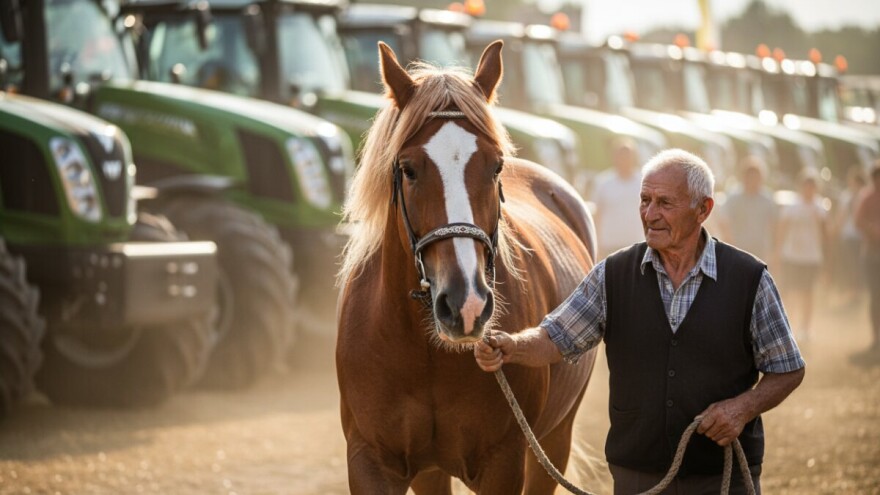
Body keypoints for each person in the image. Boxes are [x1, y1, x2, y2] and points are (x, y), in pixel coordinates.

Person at [474, 149, 805, 494]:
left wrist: (741, 409)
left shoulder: (750, 279)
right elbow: (555, 337)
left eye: (665, 203)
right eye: (645, 200)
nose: (650, 214)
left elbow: (788, 368)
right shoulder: (613, 275)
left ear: (703, 209)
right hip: (637, 475)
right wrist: (512, 346)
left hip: (723, 476)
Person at [776, 171, 828, 342]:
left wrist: (825, 256)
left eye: (812, 187)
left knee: (808, 293)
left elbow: (824, 233)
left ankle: (805, 328)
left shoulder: (820, 208)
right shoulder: (792, 207)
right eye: (806, 186)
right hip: (792, 256)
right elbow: (782, 229)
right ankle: (787, 325)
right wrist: (778, 251)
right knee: (789, 291)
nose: (809, 190)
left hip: (811, 257)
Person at [717, 156, 778, 263]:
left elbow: (774, 225)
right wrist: (729, 243)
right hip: (738, 248)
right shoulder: (734, 197)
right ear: (744, 177)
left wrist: (774, 249)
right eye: (750, 177)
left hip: (760, 249)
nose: (753, 180)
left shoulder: (767, 199)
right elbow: (724, 221)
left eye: (756, 177)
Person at [591, 138, 645, 258]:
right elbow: (597, 214)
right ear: (614, 157)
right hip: (609, 245)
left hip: (636, 244)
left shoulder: (644, 181)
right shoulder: (603, 182)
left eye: (628, 156)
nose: (624, 159)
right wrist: (597, 243)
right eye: (621, 156)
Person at [831, 166, 867, 306]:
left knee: (857, 265)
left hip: (860, 236)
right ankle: (852, 290)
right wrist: (837, 231)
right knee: (849, 264)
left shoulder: (863, 196)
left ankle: (856, 291)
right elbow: (841, 216)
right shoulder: (846, 197)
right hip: (848, 236)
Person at [855, 163, 880, 351]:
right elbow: (858, 221)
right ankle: (876, 337)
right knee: (875, 296)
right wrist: (871, 229)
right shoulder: (867, 197)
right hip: (872, 253)